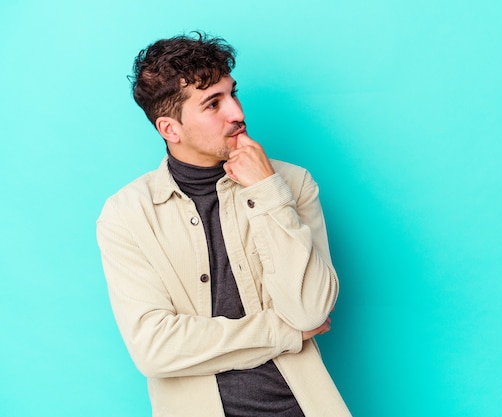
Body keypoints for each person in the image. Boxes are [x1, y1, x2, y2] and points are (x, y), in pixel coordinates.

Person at [96, 32, 351, 417]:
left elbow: (310, 312)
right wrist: (280, 333)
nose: (237, 113)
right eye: (213, 104)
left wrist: (268, 190)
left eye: (233, 94)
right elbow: (154, 348)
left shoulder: (292, 184)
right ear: (170, 129)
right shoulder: (127, 215)